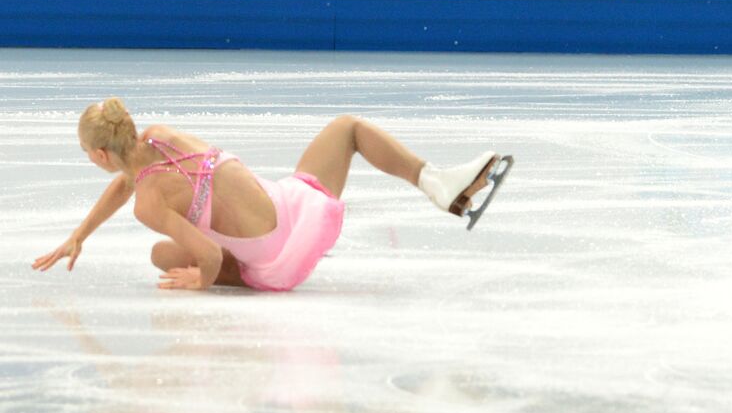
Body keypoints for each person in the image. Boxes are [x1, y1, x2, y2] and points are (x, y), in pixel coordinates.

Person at [32, 98, 512, 291]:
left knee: (164, 254)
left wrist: (200, 282)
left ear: (98, 155)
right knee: (348, 129)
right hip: (298, 213)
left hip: (277, 262)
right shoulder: (160, 137)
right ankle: (435, 183)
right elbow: (128, 179)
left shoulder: (148, 202)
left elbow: (210, 256)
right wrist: (82, 233)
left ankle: (259, 271)